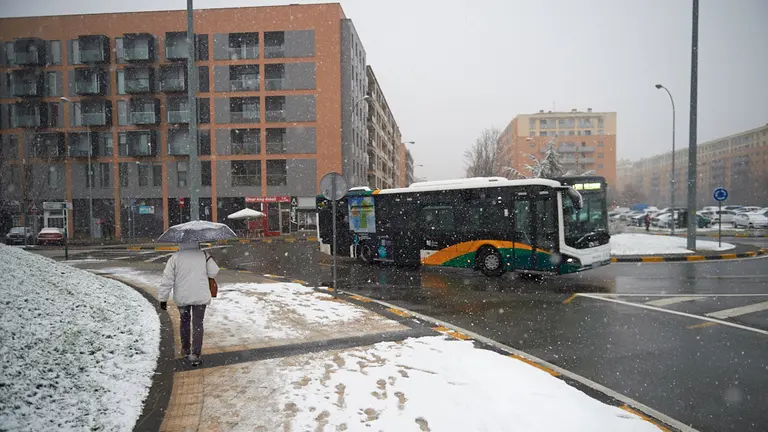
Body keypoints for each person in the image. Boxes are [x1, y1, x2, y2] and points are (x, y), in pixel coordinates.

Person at [158, 243, 219, 366]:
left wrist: (163, 298)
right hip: (200, 296)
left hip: (183, 297)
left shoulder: (175, 257)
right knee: (198, 324)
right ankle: (196, 354)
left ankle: (185, 350)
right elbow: (213, 272)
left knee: (184, 321)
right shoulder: (203, 255)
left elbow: (167, 279)